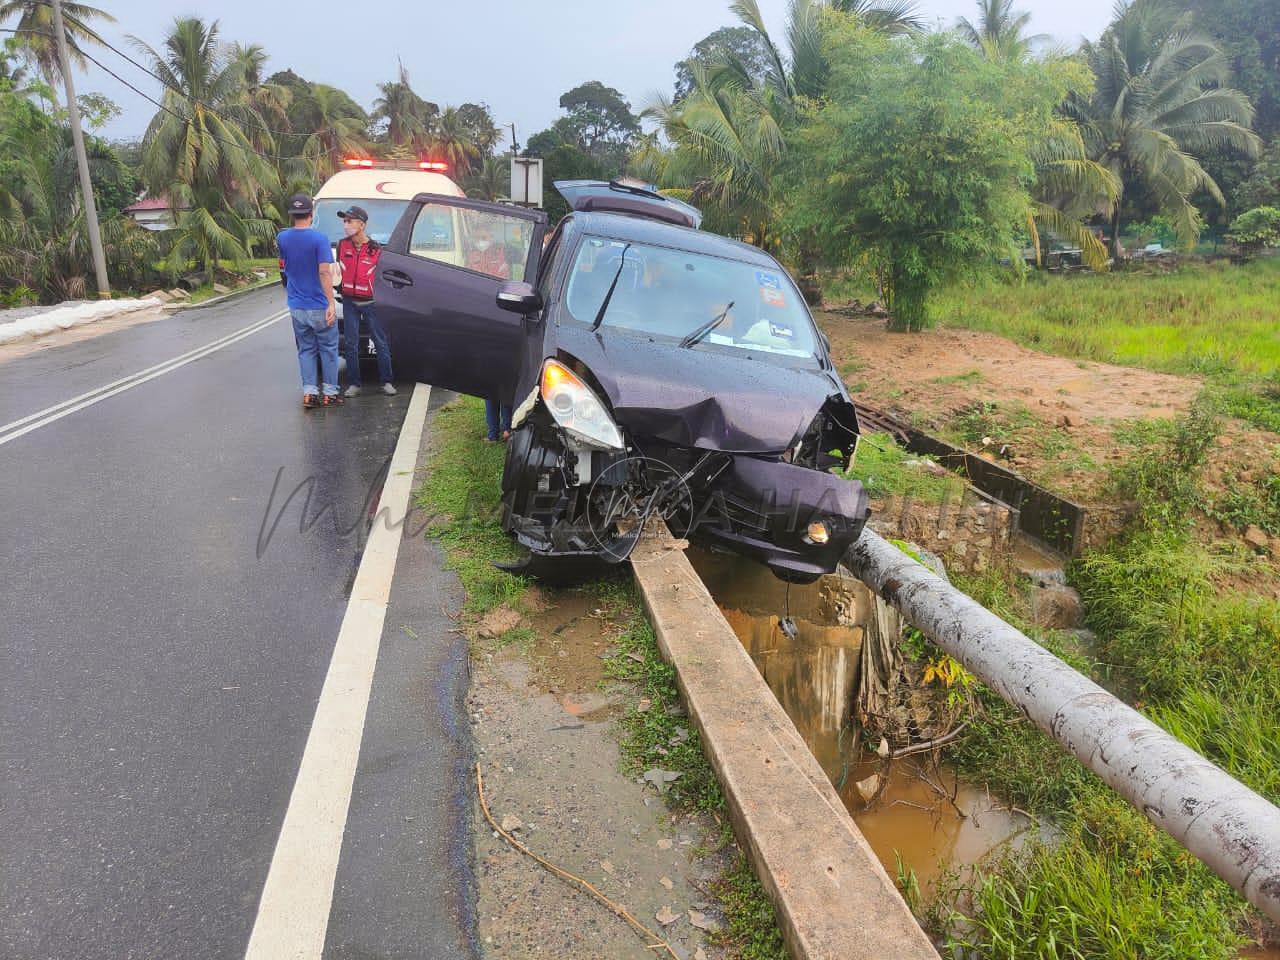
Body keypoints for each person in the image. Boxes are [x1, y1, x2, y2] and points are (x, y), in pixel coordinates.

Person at [277, 194, 341, 409]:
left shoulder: (282, 238)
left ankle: (309, 393)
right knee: (328, 349)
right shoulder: (319, 239)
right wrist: (331, 302)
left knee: (306, 350)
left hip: (296, 306)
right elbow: (324, 272)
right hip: (318, 304)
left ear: (291, 215)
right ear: (311, 215)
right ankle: (330, 393)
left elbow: (286, 264)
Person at [335, 205, 396, 397]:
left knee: (380, 342)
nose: (346, 225)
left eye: (349, 221)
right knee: (351, 344)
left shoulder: (376, 249)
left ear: (361, 224)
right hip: (349, 302)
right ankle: (354, 384)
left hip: (371, 303)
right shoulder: (341, 245)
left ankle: (386, 382)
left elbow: (382, 277)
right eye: (345, 221)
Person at [465, 221, 512, 440]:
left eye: (485, 236)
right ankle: (493, 431)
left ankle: (506, 428)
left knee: (503, 382)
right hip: (479, 325)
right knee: (488, 386)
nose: (481, 241)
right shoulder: (471, 257)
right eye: (478, 236)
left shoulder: (502, 260)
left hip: (500, 324)